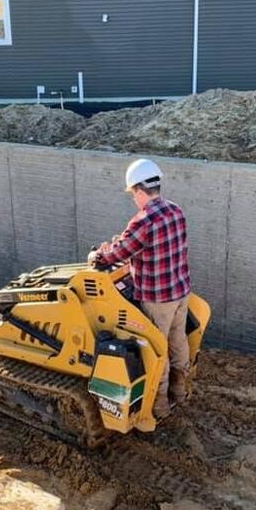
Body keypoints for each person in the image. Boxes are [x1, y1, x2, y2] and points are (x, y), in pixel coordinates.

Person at [89, 158, 191, 419]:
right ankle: (180, 391)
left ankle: (159, 407)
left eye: (133, 193)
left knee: (156, 351)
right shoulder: (175, 210)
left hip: (158, 299)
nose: (134, 199)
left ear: (138, 190)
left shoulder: (144, 220)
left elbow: (118, 253)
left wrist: (98, 256)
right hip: (181, 292)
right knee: (177, 340)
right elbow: (148, 248)